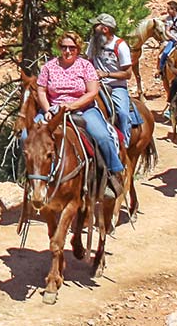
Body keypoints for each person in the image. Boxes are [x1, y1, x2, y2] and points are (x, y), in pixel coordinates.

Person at [33, 31, 126, 197]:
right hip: (53, 109)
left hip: (83, 109)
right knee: (27, 135)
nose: (67, 51)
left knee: (103, 136)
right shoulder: (49, 66)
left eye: (72, 48)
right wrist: (47, 110)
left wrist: (71, 105)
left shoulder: (85, 66)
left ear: (78, 48)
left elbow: (92, 92)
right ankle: (31, 179)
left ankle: (113, 174)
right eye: (64, 47)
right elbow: (41, 90)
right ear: (59, 48)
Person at [86, 14, 138, 152]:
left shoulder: (120, 46)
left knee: (122, 113)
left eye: (96, 25)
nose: (93, 28)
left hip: (115, 86)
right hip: (94, 83)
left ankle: (124, 146)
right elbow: (89, 60)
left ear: (105, 29)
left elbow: (127, 73)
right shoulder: (94, 41)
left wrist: (107, 74)